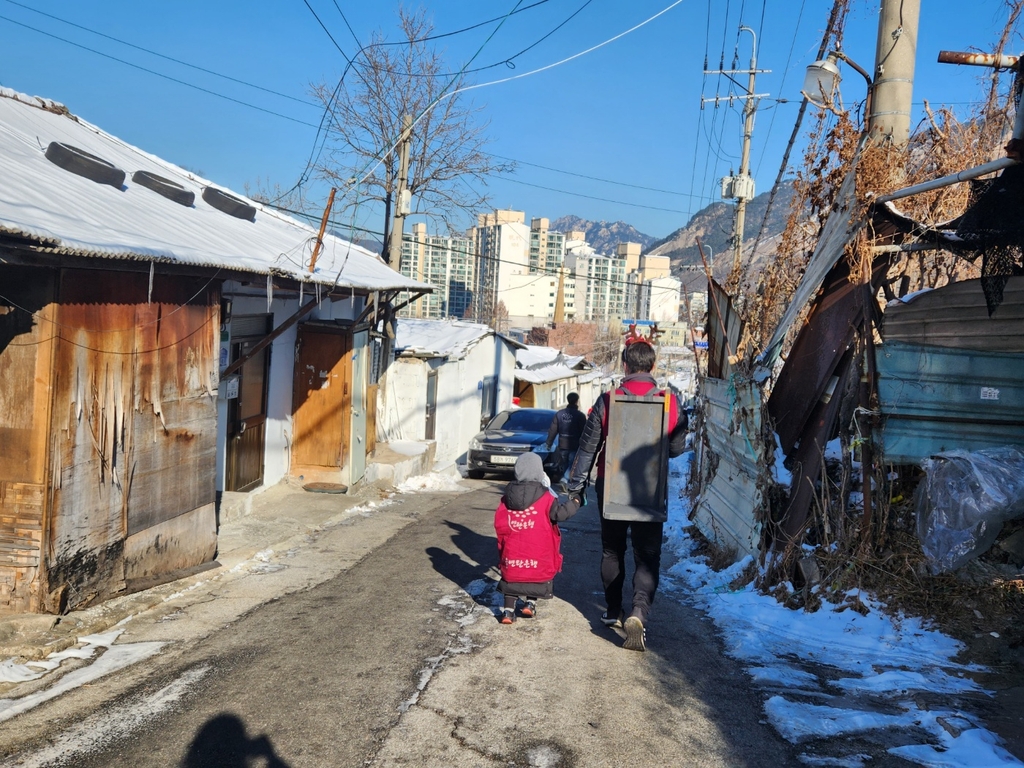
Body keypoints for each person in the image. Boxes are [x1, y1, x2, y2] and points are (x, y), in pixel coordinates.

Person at [566, 330, 688, 651]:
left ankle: (612, 609)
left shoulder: (607, 401)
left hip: (612, 488)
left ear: (624, 365)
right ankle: (639, 612)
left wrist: (576, 489)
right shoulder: (670, 403)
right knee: (647, 556)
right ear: (654, 366)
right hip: (649, 489)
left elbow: (587, 449)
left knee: (612, 551)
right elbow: (675, 448)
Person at [494, 452, 581, 624]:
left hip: (513, 549)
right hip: (537, 549)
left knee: (513, 574)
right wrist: (575, 502)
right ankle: (530, 604)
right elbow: (560, 514)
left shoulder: (507, 498)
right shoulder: (546, 497)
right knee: (535, 574)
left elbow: (500, 522)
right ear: (539, 472)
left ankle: (508, 611)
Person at [545, 392, 587, 487]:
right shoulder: (580, 415)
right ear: (577, 401)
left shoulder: (559, 414)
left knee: (565, 464)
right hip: (575, 444)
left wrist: (549, 443)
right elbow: (584, 431)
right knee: (572, 464)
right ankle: (565, 479)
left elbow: (553, 430)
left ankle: (566, 481)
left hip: (562, 444)